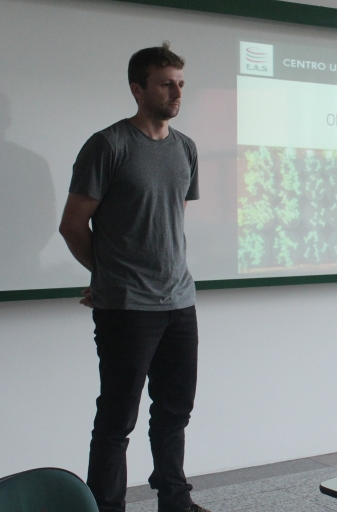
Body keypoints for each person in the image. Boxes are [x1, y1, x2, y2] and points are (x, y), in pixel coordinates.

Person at [59, 43, 210, 512]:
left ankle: (175, 501)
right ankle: (106, 507)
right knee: (116, 420)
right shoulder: (109, 146)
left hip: (179, 303)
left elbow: (169, 221)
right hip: (127, 308)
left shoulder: (186, 148)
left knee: (174, 412)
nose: (177, 93)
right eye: (166, 84)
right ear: (138, 89)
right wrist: (108, 276)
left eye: (180, 84)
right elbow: (72, 225)